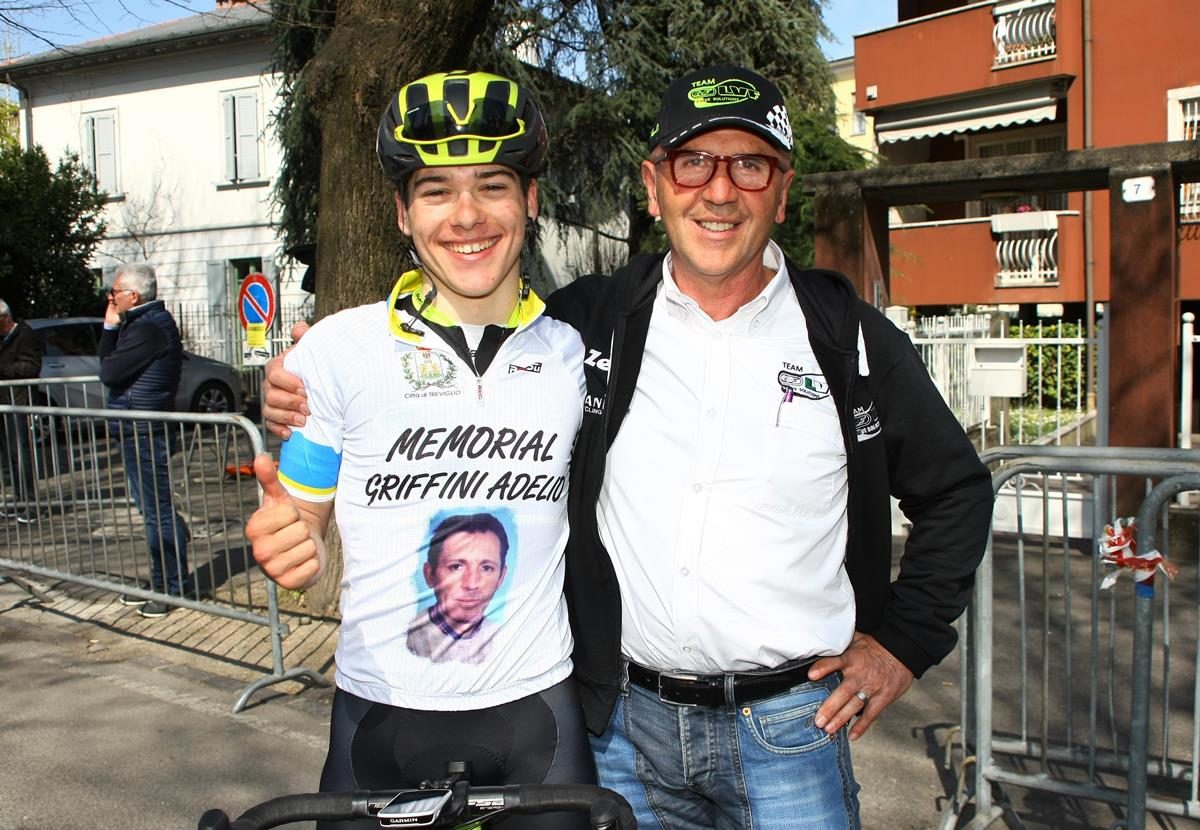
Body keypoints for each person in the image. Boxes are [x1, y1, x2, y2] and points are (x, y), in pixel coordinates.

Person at [264, 64, 995, 829]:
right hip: (622, 730)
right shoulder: (591, 323)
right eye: (693, 162)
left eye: (750, 165)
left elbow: (957, 493)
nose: (719, 191)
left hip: (791, 734)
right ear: (654, 185)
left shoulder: (848, 341)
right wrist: (305, 385)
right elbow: (457, 332)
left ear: (782, 188)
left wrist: (903, 645)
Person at [244, 70, 593, 830]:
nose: (466, 216)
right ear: (402, 213)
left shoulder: (575, 354)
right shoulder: (335, 351)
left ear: (529, 200)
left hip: (538, 712)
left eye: (493, 185)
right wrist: (294, 543)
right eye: (436, 190)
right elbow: (304, 517)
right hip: (380, 716)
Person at [99, 263, 190, 619]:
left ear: (132, 296)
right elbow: (112, 367)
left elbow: (108, 371)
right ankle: (161, 582)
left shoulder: (149, 327)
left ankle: (172, 588)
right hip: (136, 423)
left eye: (115, 292)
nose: (111, 297)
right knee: (151, 508)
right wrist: (111, 326)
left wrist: (109, 328)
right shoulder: (142, 324)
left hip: (143, 426)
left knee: (157, 510)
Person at [406, 512, 510, 664]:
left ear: (501, 577)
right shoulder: (405, 636)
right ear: (430, 575)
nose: (472, 584)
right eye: (456, 567)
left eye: (486, 568)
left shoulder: (504, 640)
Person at [0, 299, 43, 524]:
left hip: (18, 401)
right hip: (4, 402)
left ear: (5, 318)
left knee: (21, 454)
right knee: (7, 458)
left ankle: (30, 504)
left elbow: (31, 367)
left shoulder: (25, 335)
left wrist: (3, 369)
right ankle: (17, 499)